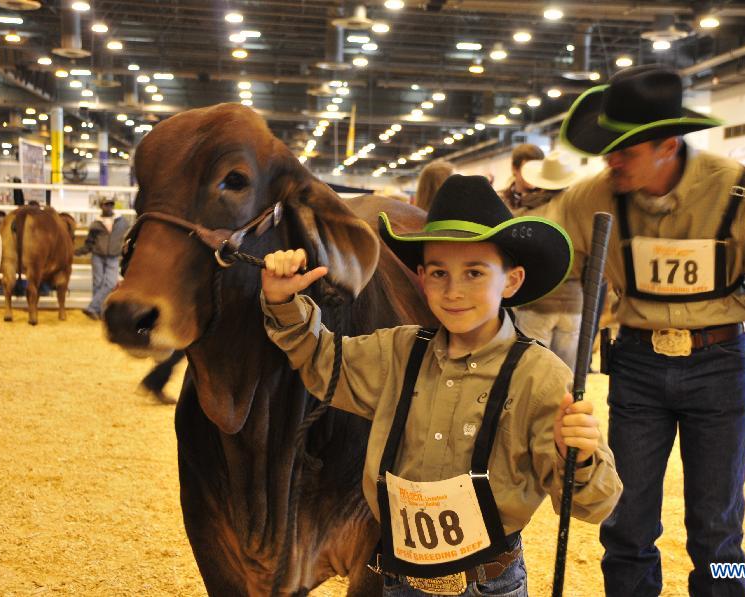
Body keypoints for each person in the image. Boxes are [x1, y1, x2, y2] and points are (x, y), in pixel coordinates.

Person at [260, 175, 622, 595]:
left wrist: (576, 457)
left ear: (512, 280)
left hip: (487, 585)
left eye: (474, 272)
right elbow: (322, 362)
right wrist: (283, 301)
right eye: (438, 272)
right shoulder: (396, 352)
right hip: (397, 581)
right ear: (421, 277)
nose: (453, 291)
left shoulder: (540, 378)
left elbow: (594, 503)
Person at [554, 65, 745, 596]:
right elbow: (543, 259)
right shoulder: (590, 200)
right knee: (624, 521)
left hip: (719, 365)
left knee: (718, 528)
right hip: (635, 365)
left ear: (667, 146)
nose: (611, 161)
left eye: (625, 150)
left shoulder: (737, 191)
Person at [507, 153, 582, 369]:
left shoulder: (525, 215)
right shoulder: (580, 214)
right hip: (573, 303)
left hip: (536, 303)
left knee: (533, 370)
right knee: (566, 373)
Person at [75, 198, 130, 320]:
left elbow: (128, 236)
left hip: (114, 256)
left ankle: (92, 307)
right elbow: (89, 243)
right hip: (98, 256)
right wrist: (78, 252)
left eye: (111, 204)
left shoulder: (122, 222)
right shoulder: (95, 224)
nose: (108, 207)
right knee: (97, 283)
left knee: (110, 283)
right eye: (106, 205)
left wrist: (126, 248)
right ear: (101, 206)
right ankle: (99, 312)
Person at [498, 144, 544, 210]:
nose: (534, 173)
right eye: (528, 169)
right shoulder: (501, 201)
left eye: (538, 168)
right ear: (514, 168)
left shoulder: (547, 200)